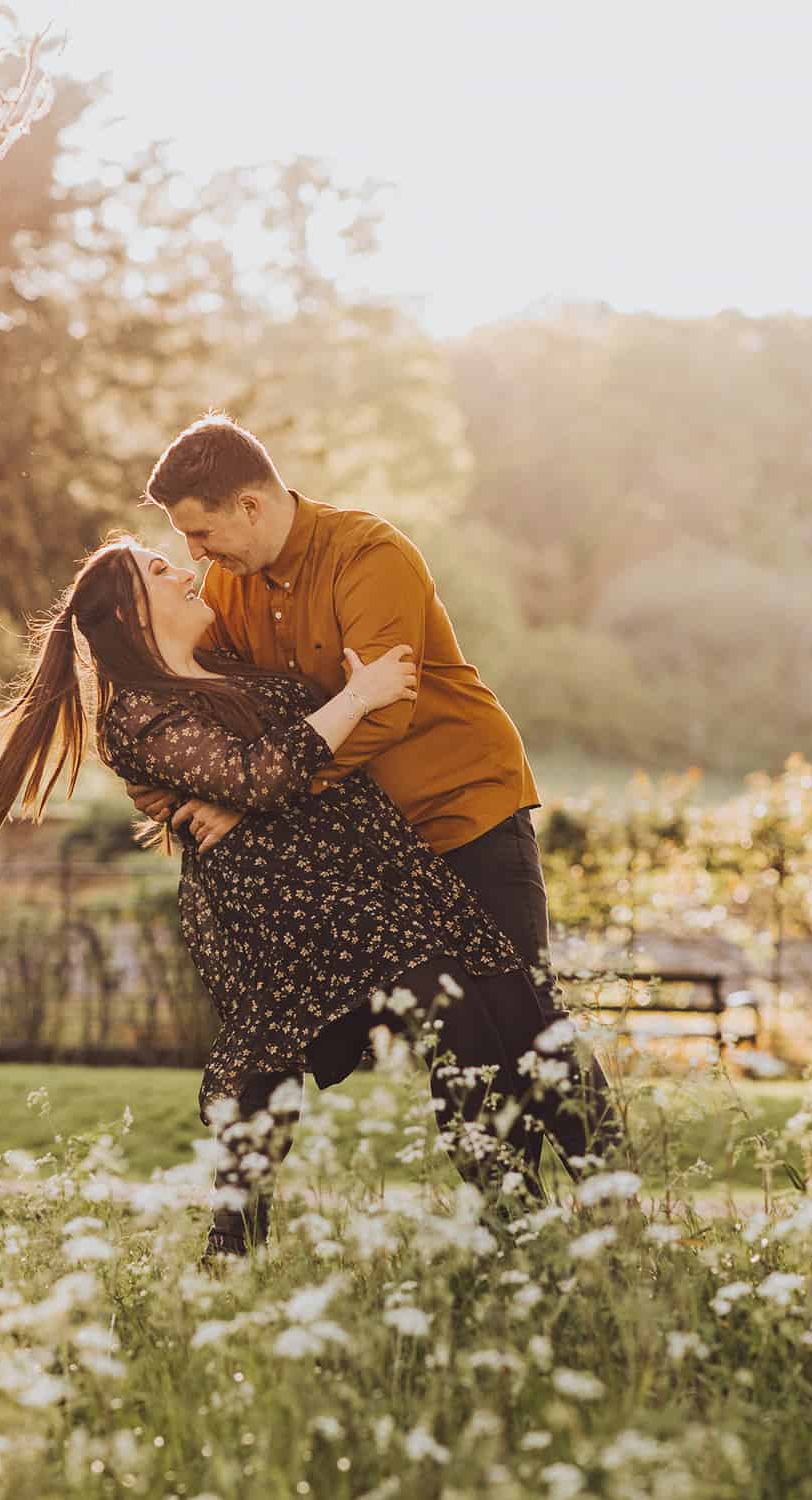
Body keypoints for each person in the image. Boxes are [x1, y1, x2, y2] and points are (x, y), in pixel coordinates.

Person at [0, 536, 618, 1259]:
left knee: (494, 1010)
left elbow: (263, 773)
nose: (183, 569)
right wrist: (357, 697)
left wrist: (266, 776)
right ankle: (512, 1224)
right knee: (422, 1020)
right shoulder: (138, 716)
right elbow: (260, 774)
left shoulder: (219, 667)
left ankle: (582, 1209)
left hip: (366, 873)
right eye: (158, 569)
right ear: (132, 614)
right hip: (285, 904)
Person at [131, 414, 622, 1163]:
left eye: (201, 533)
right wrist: (171, 782)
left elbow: (381, 713)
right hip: (369, 845)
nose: (194, 556)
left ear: (251, 507)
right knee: (450, 1037)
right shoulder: (229, 586)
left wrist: (253, 794)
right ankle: (512, 1228)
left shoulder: (369, 553)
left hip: (462, 814)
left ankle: (611, 1193)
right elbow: (216, 711)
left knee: (521, 1018)